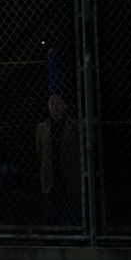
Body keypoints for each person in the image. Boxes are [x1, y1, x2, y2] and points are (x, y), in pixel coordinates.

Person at [36, 94, 80, 225]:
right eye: (52, 104)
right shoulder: (42, 127)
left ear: (64, 106)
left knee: (71, 206)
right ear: (48, 107)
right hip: (50, 172)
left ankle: (73, 230)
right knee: (51, 207)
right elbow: (39, 150)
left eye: (59, 103)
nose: (55, 107)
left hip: (69, 172)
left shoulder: (75, 125)